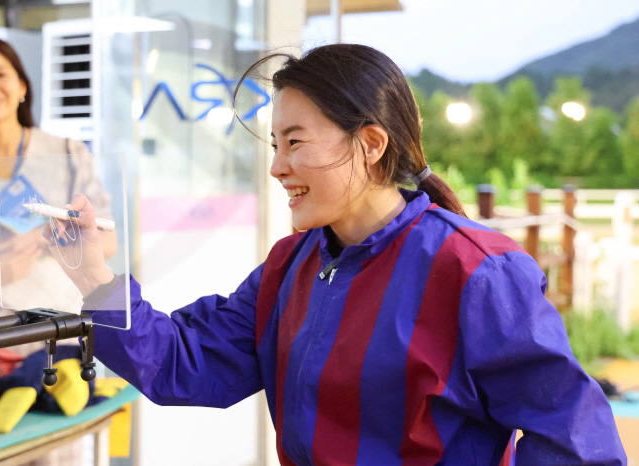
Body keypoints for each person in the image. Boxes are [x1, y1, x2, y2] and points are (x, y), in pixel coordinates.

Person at [49, 44, 626, 465]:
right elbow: (182, 363)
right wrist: (93, 274)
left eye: (295, 141)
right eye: (276, 144)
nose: (277, 166)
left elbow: (575, 443)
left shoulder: (474, 271)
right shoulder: (288, 266)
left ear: (371, 144)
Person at [0, 34, 115, 466]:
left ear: (22, 87)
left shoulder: (68, 154)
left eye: (0, 75)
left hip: (56, 336)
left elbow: (107, 239)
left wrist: (46, 238)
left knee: (56, 449)